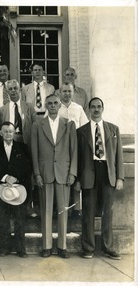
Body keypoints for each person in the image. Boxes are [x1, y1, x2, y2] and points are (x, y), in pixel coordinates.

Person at [76, 97, 124, 260]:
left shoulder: (113, 129)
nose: (96, 109)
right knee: (88, 211)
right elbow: (78, 158)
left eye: (99, 107)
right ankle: (88, 247)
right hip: (89, 173)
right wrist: (77, 179)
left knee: (107, 212)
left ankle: (108, 247)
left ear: (103, 109)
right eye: (93, 107)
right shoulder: (81, 132)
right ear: (89, 109)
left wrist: (120, 177)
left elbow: (119, 156)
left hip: (108, 173)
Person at [31, 94, 77, 259]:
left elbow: (74, 151)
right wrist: (37, 173)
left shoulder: (69, 125)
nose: (52, 106)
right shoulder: (37, 125)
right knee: (46, 210)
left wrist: (73, 172)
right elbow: (34, 152)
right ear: (45, 105)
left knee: (63, 211)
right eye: (49, 103)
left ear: (59, 105)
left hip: (64, 173)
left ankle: (62, 246)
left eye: (55, 103)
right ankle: (47, 246)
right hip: (45, 173)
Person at [0, 122, 31, 257]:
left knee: (19, 219)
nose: (8, 134)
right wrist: (5, 177)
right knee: (4, 219)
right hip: (3, 189)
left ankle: (20, 249)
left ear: (14, 133)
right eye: (5, 131)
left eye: (11, 131)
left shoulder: (23, 148)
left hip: (19, 189)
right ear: (1, 133)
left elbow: (27, 167)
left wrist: (16, 178)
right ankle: (4, 248)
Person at [0, 79, 37, 217]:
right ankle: (11, 202)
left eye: (15, 88)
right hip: (10, 141)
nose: (13, 91)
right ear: (6, 92)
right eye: (10, 89)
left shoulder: (29, 107)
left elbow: (35, 127)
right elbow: (0, 128)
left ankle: (28, 205)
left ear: (20, 89)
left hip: (26, 142)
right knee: (11, 172)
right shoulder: (2, 110)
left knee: (26, 173)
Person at [58, 82, 89, 219]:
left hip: (76, 144)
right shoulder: (55, 107)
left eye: (69, 91)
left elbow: (85, 127)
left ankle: (77, 207)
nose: (67, 94)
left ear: (73, 93)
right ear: (60, 93)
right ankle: (62, 206)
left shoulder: (78, 108)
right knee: (63, 174)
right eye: (64, 91)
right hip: (60, 145)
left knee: (75, 173)